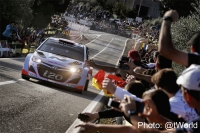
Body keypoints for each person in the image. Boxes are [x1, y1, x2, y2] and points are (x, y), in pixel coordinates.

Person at [120, 64, 200, 133]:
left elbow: (151, 130)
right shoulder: (194, 122)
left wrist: (130, 113)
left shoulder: (170, 105)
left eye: (156, 88)